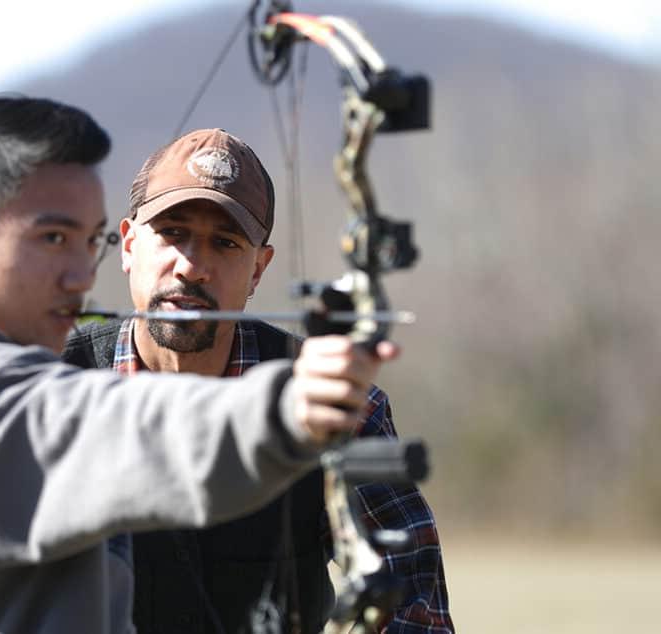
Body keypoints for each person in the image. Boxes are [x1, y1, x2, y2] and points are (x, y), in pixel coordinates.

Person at [0, 96, 400, 634]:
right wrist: (287, 407)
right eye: (53, 239)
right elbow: (96, 426)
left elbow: (408, 588)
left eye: (89, 242)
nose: (82, 276)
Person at [62, 128, 453, 633]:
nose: (191, 266)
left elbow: (413, 601)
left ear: (258, 271)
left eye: (224, 243)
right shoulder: (52, 388)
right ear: (130, 245)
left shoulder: (327, 398)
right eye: (172, 233)